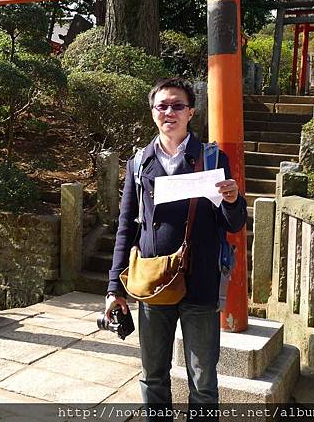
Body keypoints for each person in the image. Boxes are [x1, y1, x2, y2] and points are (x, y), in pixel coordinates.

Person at [105, 77, 247, 410]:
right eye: (162, 105)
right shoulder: (139, 163)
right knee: (153, 373)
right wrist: (115, 287)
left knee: (203, 380)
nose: (170, 111)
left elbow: (234, 223)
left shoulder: (212, 158)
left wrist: (232, 200)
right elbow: (126, 227)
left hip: (200, 282)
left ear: (191, 112)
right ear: (152, 111)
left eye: (178, 105)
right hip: (155, 282)